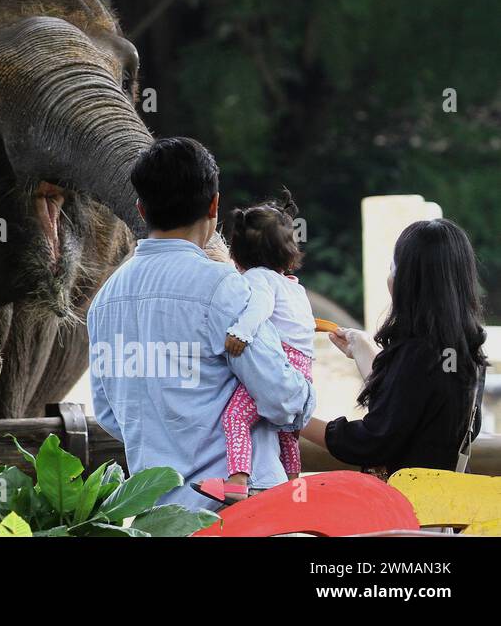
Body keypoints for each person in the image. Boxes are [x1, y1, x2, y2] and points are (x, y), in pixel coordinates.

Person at [88, 137, 315, 512]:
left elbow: (111, 415)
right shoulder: (224, 288)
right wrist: (306, 396)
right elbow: (280, 397)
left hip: (156, 517)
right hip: (240, 516)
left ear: (141, 210)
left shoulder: (105, 301)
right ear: (214, 204)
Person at [301, 219, 487, 476]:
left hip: (407, 509)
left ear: (408, 280)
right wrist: (363, 351)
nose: (389, 276)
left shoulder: (418, 354)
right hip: (444, 505)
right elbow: (408, 408)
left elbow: (372, 440)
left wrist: (296, 420)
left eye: (393, 267)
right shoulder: (467, 353)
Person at [197, 191, 316, 503]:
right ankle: (294, 488)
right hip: (303, 368)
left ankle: (237, 482)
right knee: (287, 435)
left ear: (236, 255)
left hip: (280, 364)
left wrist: (241, 332)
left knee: (236, 418)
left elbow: (259, 307)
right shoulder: (294, 288)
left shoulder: (257, 279)